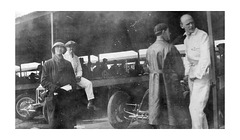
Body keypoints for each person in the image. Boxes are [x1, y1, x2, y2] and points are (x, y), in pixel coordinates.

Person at [146, 23, 189, 129]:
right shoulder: (170, 48)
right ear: (164, 31)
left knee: (157, 109)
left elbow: (146, 67)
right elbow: (180, 69)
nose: (169, 34)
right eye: (168, 31)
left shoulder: (149, 50)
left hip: (154, 84)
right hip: (169, 84)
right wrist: (180, 77)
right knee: (172, 113)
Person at [180, 14, 211, 129]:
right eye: (187, 24)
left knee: (195, 109)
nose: (191, 25)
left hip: (201, 76)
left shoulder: (202, 36)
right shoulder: (186, 40)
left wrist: (197, 75)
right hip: (192, 77)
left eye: (192, 22)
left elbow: (205, 59)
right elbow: (188, 59)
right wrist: (187, 74)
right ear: (182, 26)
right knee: (197, 110)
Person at [41, 42, 77, 129]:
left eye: (61, 47)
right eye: (57, 47)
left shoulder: (68, 64)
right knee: (54, 124)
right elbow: (43, 81)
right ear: (54, 50)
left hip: (66, 98)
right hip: (53, 98)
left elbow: (73, 80)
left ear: (64, 50)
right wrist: (56, 88)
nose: (59, 49)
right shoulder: (48, 64)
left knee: (68, 124)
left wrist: (71, 88)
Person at [63, 41, 97, 110]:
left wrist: (78, 76)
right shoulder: (63, 57)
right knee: (71, 90)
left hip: (76, 77)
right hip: (67, 78)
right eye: (69, 47)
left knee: (88, 83)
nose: (71, 48)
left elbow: (79, 69)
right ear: (66, 48)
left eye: (72, 46)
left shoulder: (76, 58)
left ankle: (90, 102)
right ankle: (70, 107)